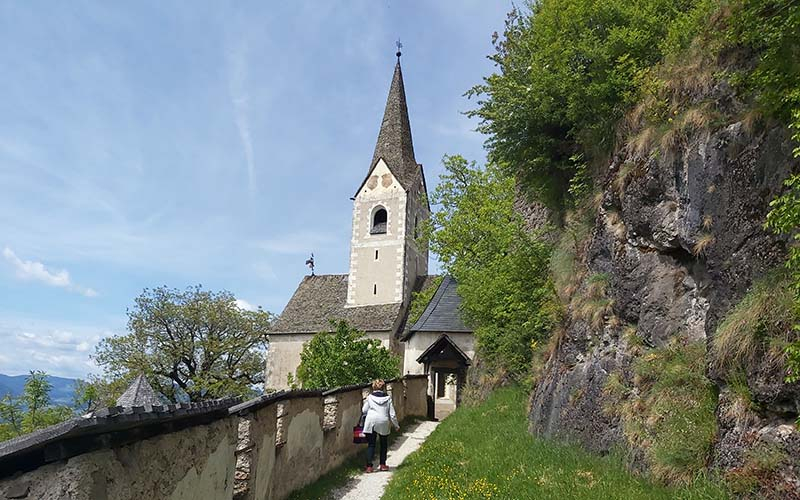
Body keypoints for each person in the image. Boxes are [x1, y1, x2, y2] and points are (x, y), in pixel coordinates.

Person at [361, 379, 399, 472]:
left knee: (371, 444)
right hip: (383, 421)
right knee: (383, 444)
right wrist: (396, 425)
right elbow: (392, 414)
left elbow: (364, 410)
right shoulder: (388, 398)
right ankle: (382, 465)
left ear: (373, 387)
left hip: (371, 421)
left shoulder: (370, 397)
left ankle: (369, 466)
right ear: (383, 387)